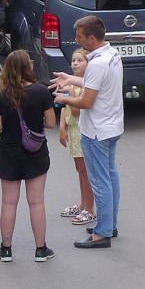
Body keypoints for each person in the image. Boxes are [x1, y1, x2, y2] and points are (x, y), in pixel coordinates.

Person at [53, 16, 124, 249]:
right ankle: (109, 223)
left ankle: (101, 234)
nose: (77, 40)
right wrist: (70, 78)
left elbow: (86, 101)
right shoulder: (111, 55)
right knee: (111, 176)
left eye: (80, 36)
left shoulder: (96, 64)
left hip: (96, 131)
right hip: (113, 125)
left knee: (100, 181)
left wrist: (63, 97)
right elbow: (96, 85)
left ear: (92, 38)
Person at [0, 49, 57, 262]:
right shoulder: (41, 92)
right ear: (28, 67)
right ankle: (40, 249)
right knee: (36, 202)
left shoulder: (1, 94)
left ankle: (6, 249)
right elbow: (50, 122)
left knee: (9, 202)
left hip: (9, 153)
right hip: (35, 153)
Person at [58, 48, 95, 226]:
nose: (75, 63)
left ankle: (89, 208)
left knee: (86, 172)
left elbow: (76, 110)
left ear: (88, 64)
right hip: (72, 131)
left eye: (80, 60)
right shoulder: (70, 86)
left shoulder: (82, 88)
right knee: (79, 171)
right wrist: (62, 127)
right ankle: (82, 204)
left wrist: (70, 94)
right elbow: (65, 109)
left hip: (81, 131)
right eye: (73, 60)